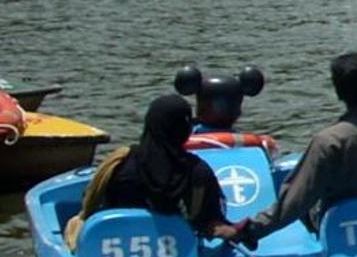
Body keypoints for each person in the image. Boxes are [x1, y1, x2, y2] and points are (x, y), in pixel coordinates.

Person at [245, 53, 357, 242]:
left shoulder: (328, 142)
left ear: (338, 91)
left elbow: (295, 203)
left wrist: (250, 230)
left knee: (297, 186)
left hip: (344, 231)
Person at [69, 94, 250, 248]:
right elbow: (210, 221)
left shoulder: (118, 164)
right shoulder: (197, 172)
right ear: (185, 130)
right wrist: (238, 232)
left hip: (111, 249)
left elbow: (90, 202)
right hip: (180, 253)